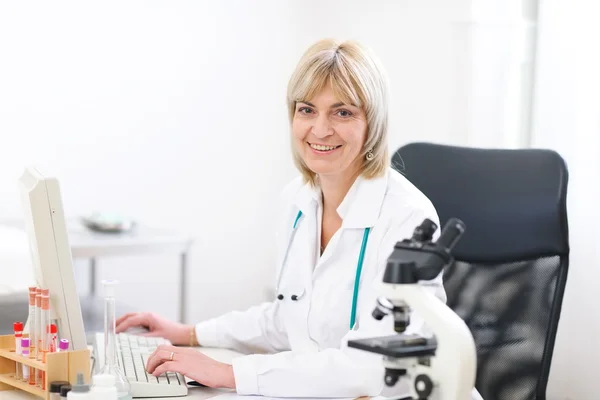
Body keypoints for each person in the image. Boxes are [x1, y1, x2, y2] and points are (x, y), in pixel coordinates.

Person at [116, 38, 481, 399]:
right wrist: (189, 333)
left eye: (343, 112)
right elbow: (288, 318)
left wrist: (228, 373)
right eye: (307, 110)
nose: (320, 130)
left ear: (373, 123)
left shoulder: (407, 217)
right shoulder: (297, 200)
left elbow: (372, 367)